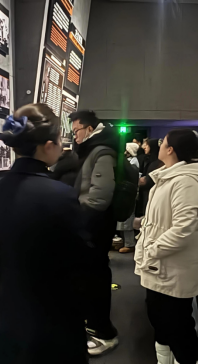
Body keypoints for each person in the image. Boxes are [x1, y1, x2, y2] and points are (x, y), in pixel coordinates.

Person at [0, 104, 90, 364]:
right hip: (54, 320)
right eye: (60, 139)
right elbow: (81, 260)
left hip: (9, 318)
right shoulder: (61, 194)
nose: (62, 145)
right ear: (47, 146)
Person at [135, 129, 198, 364]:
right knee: (159, 320)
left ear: (170, 149)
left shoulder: (186, 181)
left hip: (172, 267)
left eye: (163, 143)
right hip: (158, 266)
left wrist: (152, 250)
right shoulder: (168, 176)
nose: (158, 145)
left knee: (177, 324)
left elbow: (183, 228)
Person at [70, 110, 120, 356]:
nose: (74, 136)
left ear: (89, 129)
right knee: (89, 279)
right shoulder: (93, 149)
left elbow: (99, 198)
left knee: (96, 279)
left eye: (76, 130)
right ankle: (94, 326)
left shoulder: (102, 152)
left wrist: (80, 224)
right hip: (90, 226)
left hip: (95, 227)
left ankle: (104, 333)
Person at [116, 143, 140, 254]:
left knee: (128, 222)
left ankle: (130, 244)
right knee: (122, 222)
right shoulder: (129, 161)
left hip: (129, 193)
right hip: (125, 192)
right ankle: (123, 241)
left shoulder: (133, 162)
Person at [136, 139, 164, 218]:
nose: (144, 147)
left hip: (150, 195)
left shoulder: (157, 163)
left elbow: (149, 180)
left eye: (147, 145)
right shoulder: (145, 159)